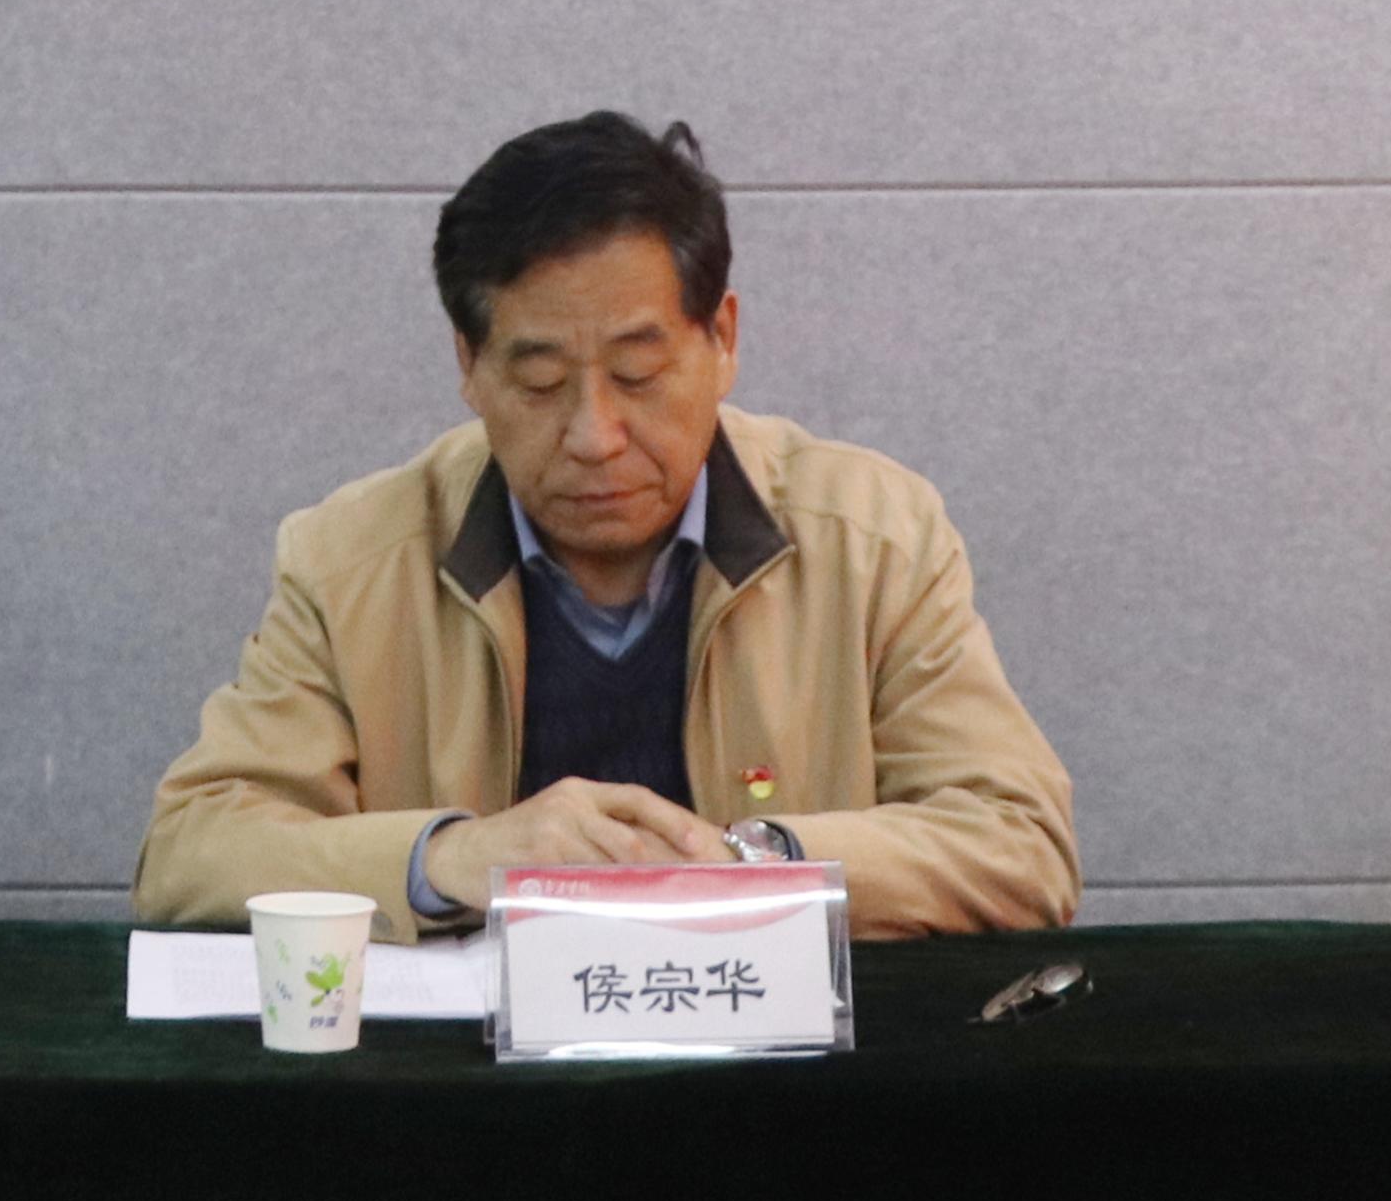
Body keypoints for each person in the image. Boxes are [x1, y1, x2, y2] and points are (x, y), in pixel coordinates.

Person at [136, 113, 1078, 942]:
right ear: (469, 364)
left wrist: (750, 863)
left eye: (638, 374)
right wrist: (456, 858)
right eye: (541, 381)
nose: (594, 435)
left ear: (723, 340)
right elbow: (190, 853)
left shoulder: (873, 538)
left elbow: (1021, 844)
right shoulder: (351, 559)